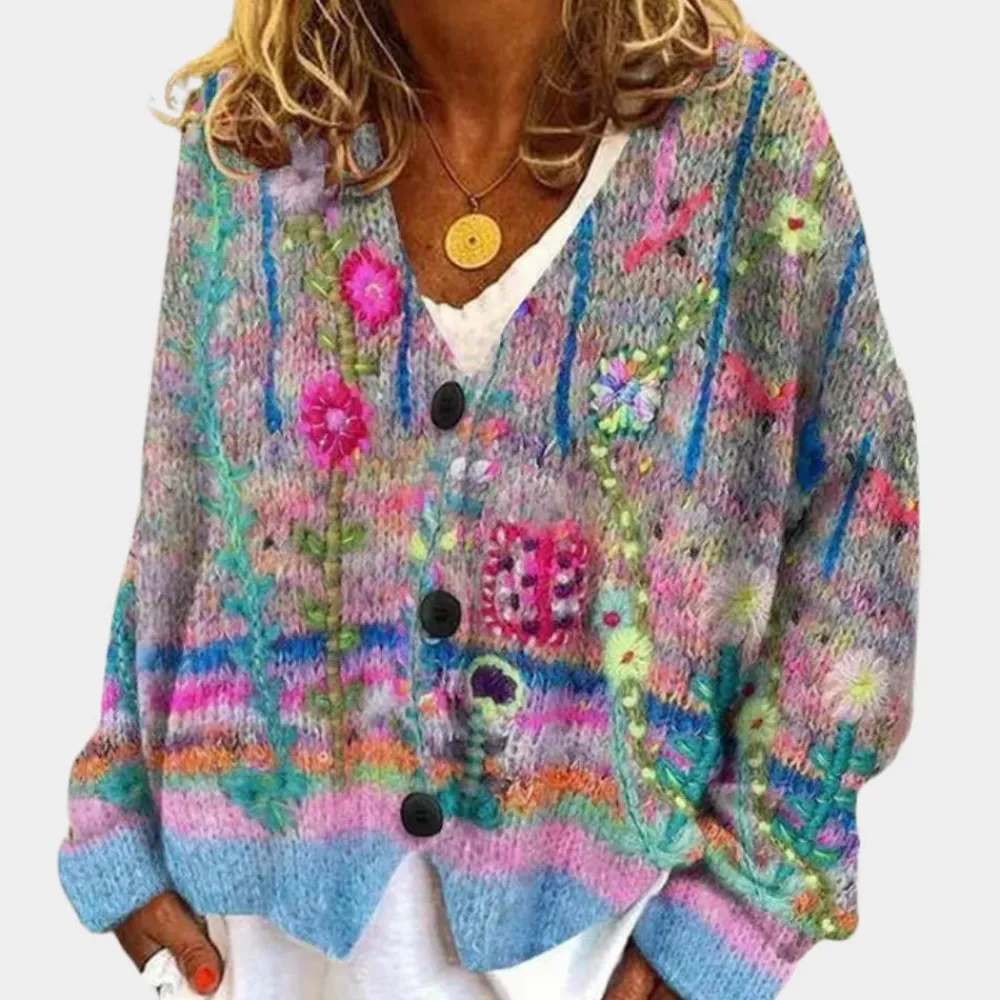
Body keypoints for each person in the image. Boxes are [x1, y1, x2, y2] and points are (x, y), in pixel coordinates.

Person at [59, 2, 919, 998]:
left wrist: (742, 909)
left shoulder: (747, 136)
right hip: (274, 948)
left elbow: (864, 535)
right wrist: (117, 811)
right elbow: (182, 507)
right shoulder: (248, 140)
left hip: (605, 941)